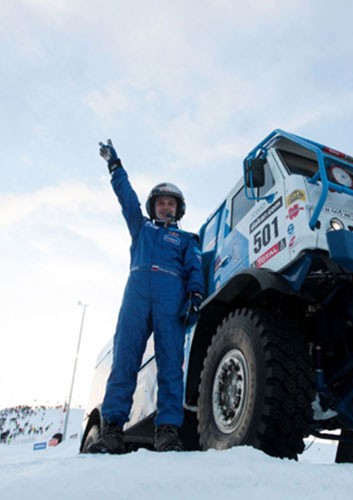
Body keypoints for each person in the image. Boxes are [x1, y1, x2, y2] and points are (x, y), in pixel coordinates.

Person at [88, 139, 205, 454]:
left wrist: (195, 295)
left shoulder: (185, 239)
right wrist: (116, 167)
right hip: (137, 295)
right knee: (125, 360)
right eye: (161, 203)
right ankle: (112, 431)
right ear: (153, 206)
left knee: (170, 365)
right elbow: (127, 198)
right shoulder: (141, 229)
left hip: (171, 297)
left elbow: (195, 268)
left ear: (178, 209)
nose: (165, 207)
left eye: (171, 204)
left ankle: (167, 433)